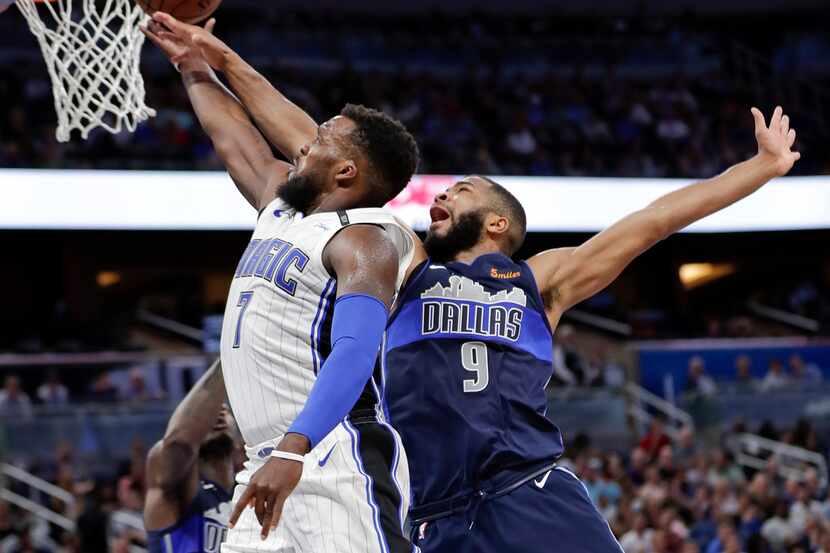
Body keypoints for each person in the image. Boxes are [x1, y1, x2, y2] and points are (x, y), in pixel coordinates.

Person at [159, 17, 800, 551]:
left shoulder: (539, 281)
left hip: (531, 490)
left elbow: (654, 222)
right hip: (435, 511)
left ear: (497, 220)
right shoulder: (402, 263)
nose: (442, 193)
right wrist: (224, 62)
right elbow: (318, 146)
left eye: (460, 189)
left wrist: (761, 166)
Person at [142, 13, 420, 553]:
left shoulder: (367, 237)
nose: (302, 145)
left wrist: (295, 451)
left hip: (334, 458)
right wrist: (194, 65)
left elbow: (356, 350)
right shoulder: (281, 208)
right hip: (267, 460)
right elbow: (233, 138)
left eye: (319, 140)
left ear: (346, 174)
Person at [144, 360, 236, 553]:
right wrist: (230, 356)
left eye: (224, 410)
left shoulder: (250, 494)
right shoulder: (177, 489)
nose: (216, 413)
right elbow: (179, 443)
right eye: (207, 413)